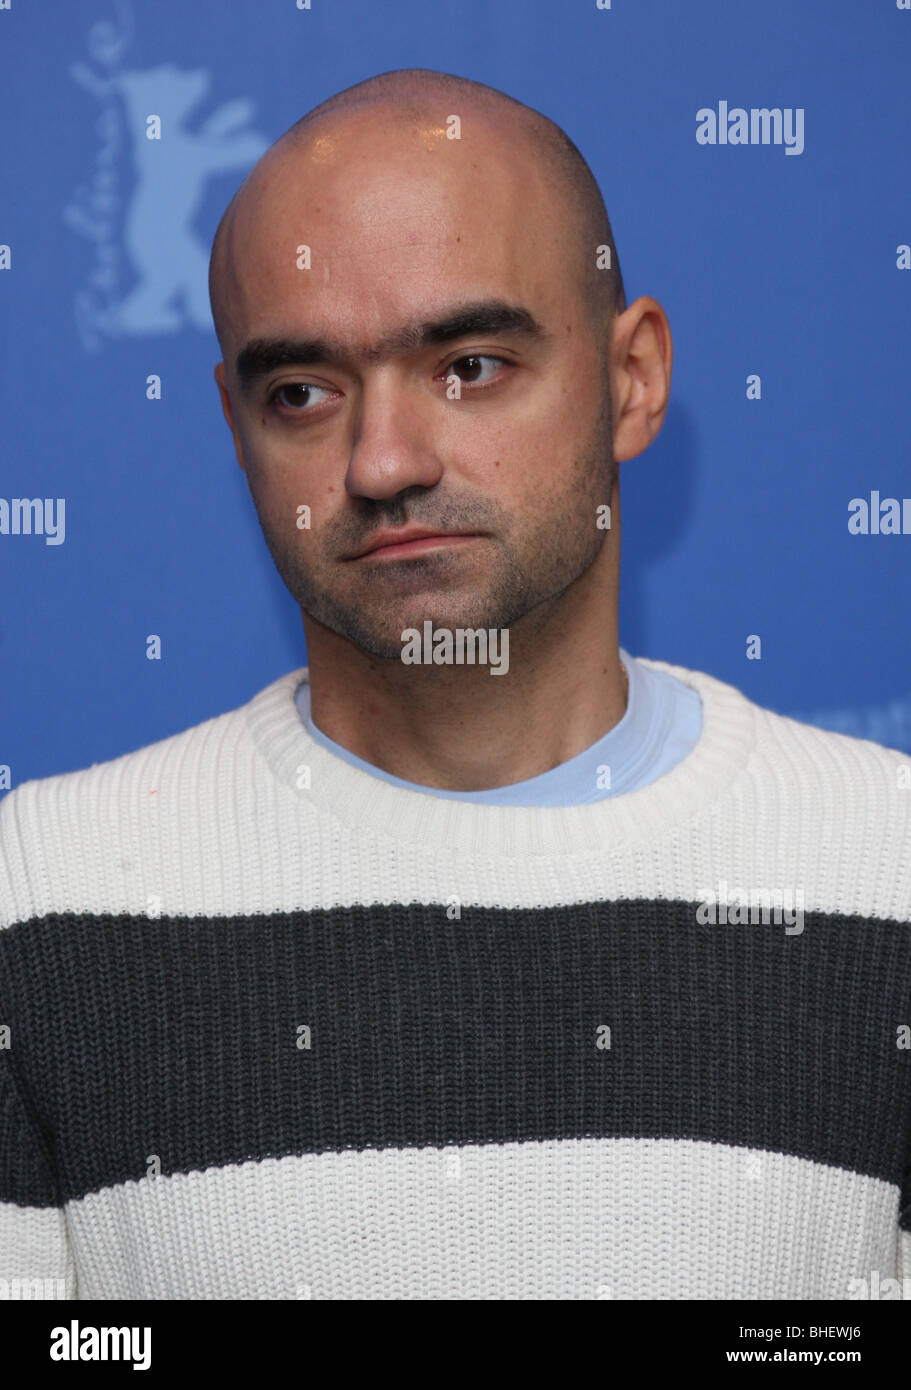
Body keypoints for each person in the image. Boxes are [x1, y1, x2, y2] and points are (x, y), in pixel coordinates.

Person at [1, 67, 908, 1302]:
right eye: (302, 392)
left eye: (470, 365)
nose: (381, 461)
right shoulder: (40, 901)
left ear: (630, 378)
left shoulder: (885, 867)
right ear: (231, 421)